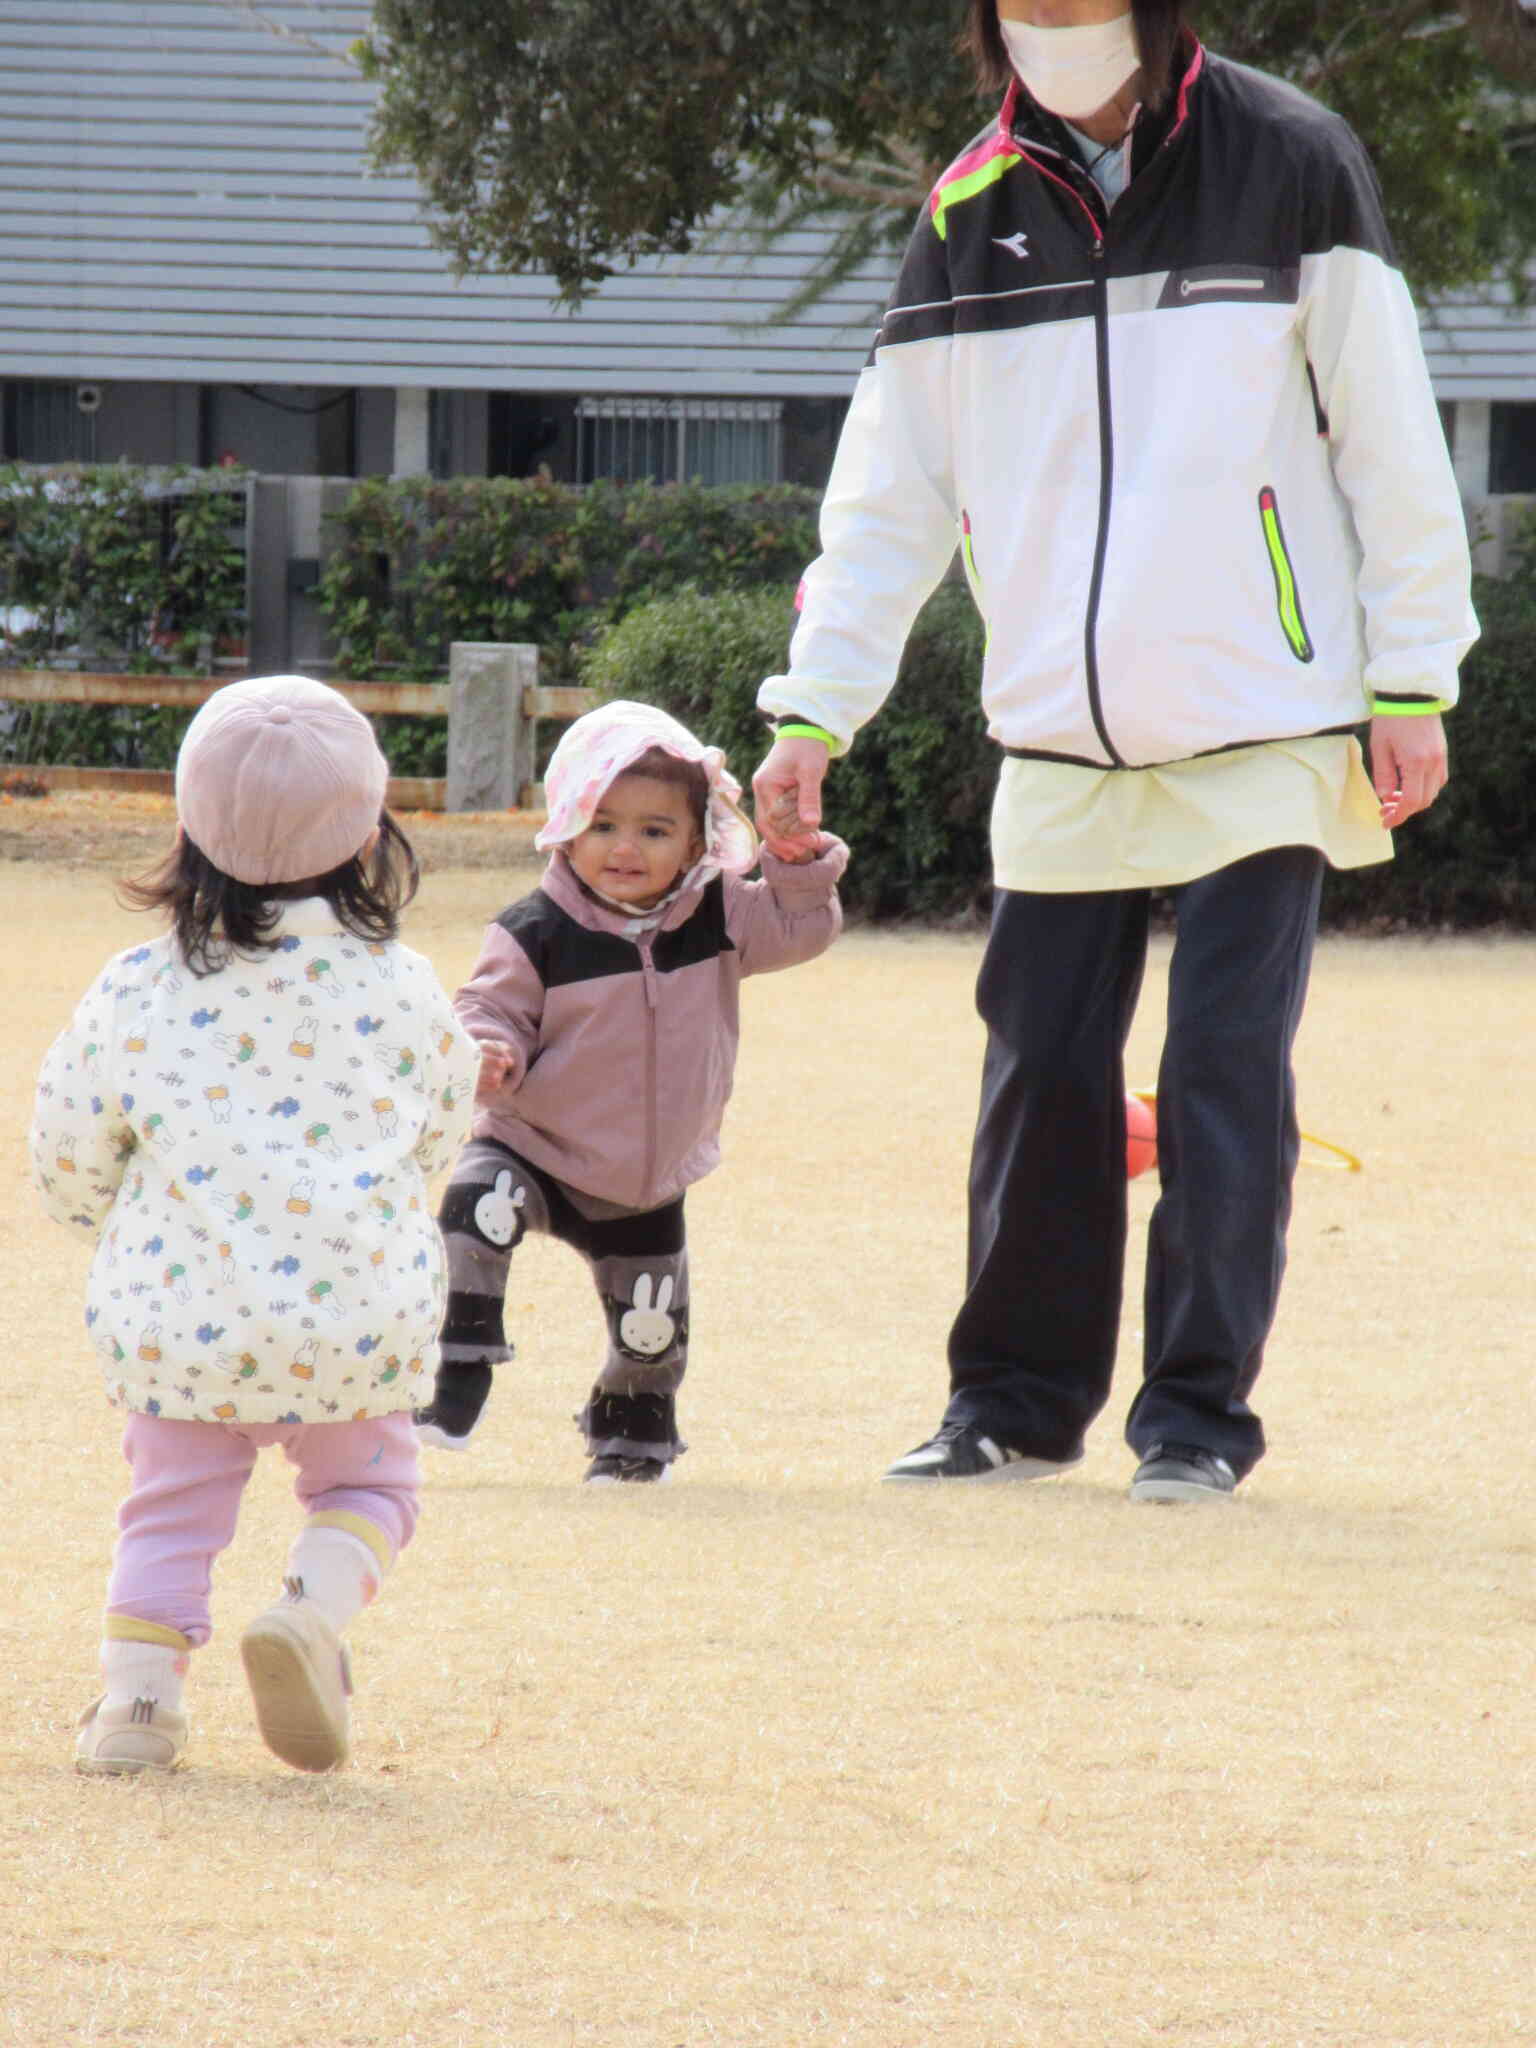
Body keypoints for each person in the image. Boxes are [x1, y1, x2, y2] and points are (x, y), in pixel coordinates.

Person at [752, 0, 1476, 1500]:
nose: (1057, 16)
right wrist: (816, 704)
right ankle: (1011, 1404)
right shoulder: (964, 206)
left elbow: (1388, 435)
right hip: (1056, 736)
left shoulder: (1291, 156)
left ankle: (1196, 1422)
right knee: (1043, 1070)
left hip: (1259, 715)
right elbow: (886, 493)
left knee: (1221, 1069)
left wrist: (1412, 676)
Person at [30, 674, 479, 1774]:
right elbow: (443, 1124)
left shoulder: (139, 983)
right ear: (373, 832)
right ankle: (311, 1610)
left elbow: (69, 1147)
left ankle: (137, 1709)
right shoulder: (401, 982)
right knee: (371, 1485)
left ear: (187, 824)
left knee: (170, 1508)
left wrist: (107, 1221)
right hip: (356, 1321)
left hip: (182, 1321)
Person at [413, 698, 847, 1480]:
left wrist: (791, 861)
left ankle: (631, 1435)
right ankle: (457, 1360)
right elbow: (489, 1005)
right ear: (568, 826)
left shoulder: (719, 913)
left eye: (655, 831)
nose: (625, 848)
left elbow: (800, 930)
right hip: (532, 1145)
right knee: (475, 1209)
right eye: (603, 824)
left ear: (694, 841)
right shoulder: (535, 926)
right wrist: (489, 1050)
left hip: (645, 1179)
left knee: (650, 1330)